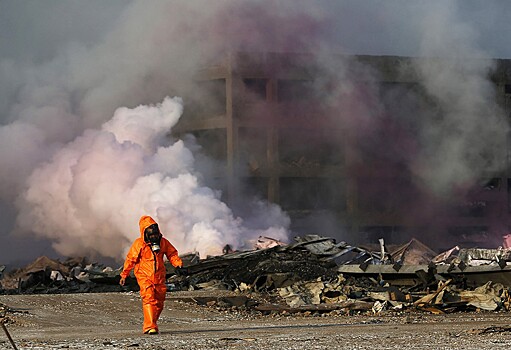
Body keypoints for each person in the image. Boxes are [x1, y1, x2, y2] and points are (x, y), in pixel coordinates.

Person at [119, 215, 183, 335]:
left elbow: (172, 254)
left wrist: (178, 264)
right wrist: (124, 275)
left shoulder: (163, 242)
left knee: (159, 302)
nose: (154, 236)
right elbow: (130, 259)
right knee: (149, 298)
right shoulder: (139, 244)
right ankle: (150, 326)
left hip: (159, 276)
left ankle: (152, 321)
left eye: (156, 234)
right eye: (151, 234)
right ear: (145, 234)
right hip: (143, 275)